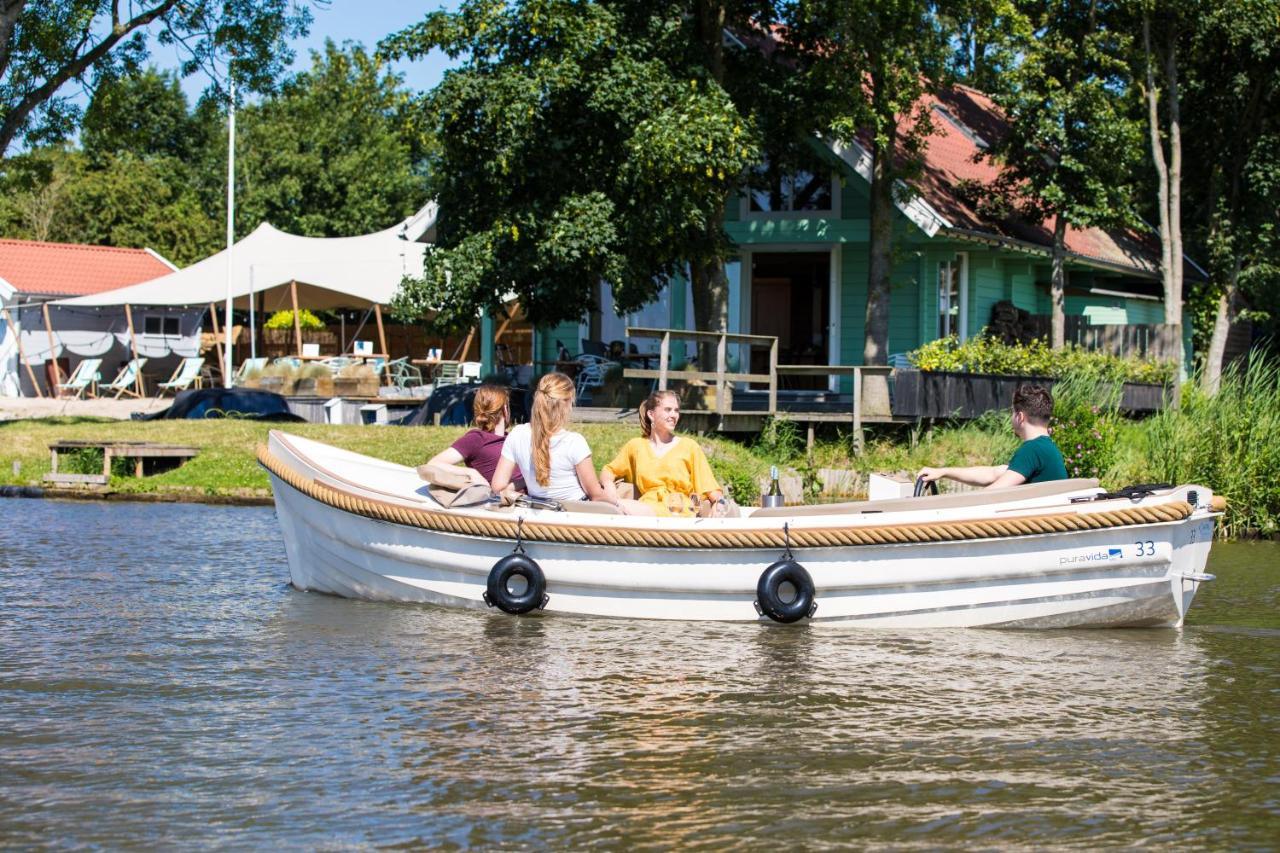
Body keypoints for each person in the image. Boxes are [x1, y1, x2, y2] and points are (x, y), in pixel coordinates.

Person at [916, 383, 1068, 489]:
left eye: (1012, 412)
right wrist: (943, 472)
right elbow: (992, 474)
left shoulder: (1032, 449)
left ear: (1020, 417)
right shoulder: (1046, 448)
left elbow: (996, 491)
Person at [599, 389, 724, 516]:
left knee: (617, 507)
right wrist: (609, 486)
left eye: (676, 410)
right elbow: (608, 471)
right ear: (651, 414)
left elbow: (710, 487)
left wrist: (719, 504)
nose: (674, 415)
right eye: (668, 409)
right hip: (647, 506)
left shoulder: (689, 446)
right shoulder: (636, 446)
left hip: (678, 509)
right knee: (612, 505)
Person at [492, 372, 608, 503]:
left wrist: (527, 479)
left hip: (538, 510)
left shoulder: (517, 434)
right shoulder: (574, 442)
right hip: (575, 514)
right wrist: (612, 491)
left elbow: (497, 487)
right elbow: (595, 495)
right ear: (568, 403)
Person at [425, 383, 523, 489]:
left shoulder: (511, 438)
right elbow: (433, 464)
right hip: (513, 500)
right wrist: (471, 472)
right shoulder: (477, 439)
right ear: (505, 409)